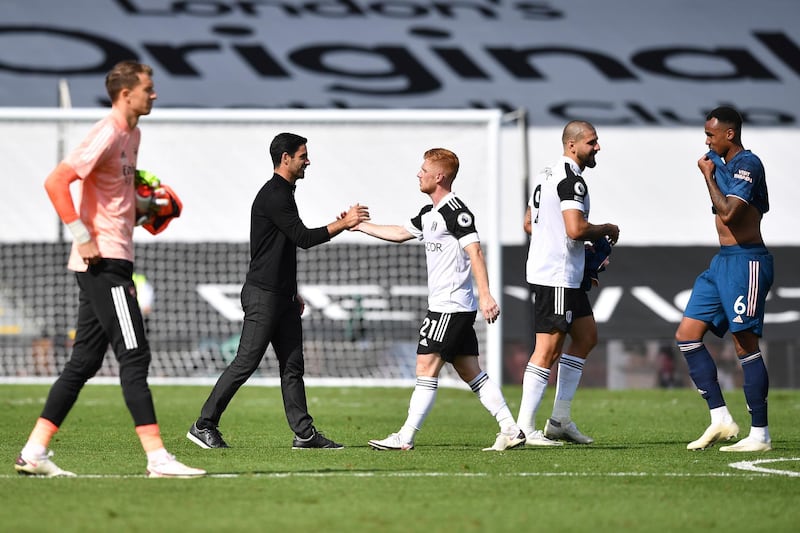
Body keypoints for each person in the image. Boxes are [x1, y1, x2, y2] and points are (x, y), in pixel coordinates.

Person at [14, 61, 205, 478]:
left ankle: (34, 451)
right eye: (148, 89)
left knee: (82, 363)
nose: (154, 95)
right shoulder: (109, 131)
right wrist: (82, 236)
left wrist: (149, 208)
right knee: (135, 355)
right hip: (103, 262)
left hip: (111, 258)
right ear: (125, 94)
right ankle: (158, 458)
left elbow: (117, 204)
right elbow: (56, 181)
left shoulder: (132, 134)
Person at [187, 132, 370, 450]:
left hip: (282, 296)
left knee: (292, 366)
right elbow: (303, 237)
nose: (308, 160)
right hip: (264, 296)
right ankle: (203, 425)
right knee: (245, 362)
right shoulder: (274, 194)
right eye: (303, 155)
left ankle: (305, 434)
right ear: (286, 158)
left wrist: (292, 292)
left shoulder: (285, 192)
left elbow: (282, 248)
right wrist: (344, 224)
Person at [355, 148, 526, 452]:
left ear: (439, 176)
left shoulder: (456, 210)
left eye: (424, 170)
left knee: (425, 367)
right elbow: (398, 233)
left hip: (449, 306)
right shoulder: (428, 213)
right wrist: (358, 226)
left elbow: (475, 251)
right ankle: (511, 429)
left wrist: (485, 295)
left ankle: (405, 436)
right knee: (470, 371)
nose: (418, 174)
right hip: (452, 308)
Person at [676, 106, 773, 452]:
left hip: (748, 261)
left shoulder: (749, 164)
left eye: (710, 134)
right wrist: (712, 170)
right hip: (722, 263)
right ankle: (720, 419)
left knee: (744, 346)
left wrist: (708, 176)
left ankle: (760, 434)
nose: (706, 140)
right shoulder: (718, 162)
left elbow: (730, 214)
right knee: (687, 335)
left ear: (729, 133)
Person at [516, 120, 619, 446]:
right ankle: (523, 428)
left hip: (565, 274)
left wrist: (571, 246)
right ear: (572, 145)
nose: (597, 147)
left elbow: (528, 224)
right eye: (592, 142)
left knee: (586, 337)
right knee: (547, 350)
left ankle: (559, 419)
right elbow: (575, 229)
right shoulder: (571, 181)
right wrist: (604, 229)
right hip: (556, 276)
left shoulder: (546, 174)